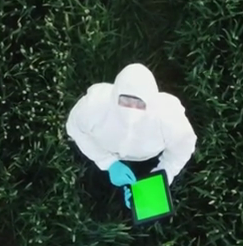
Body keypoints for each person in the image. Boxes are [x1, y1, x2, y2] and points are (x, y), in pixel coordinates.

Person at [65, 63, 197, 198]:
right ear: (114, 96)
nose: (132, 109)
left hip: (149, 160)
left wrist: (161, 176)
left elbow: (183, 147)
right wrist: (107, 162)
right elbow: (76, 128)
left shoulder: (168, 118)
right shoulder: (93, 106)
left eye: (139, 103)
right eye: (126, 100)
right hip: (100, 152)